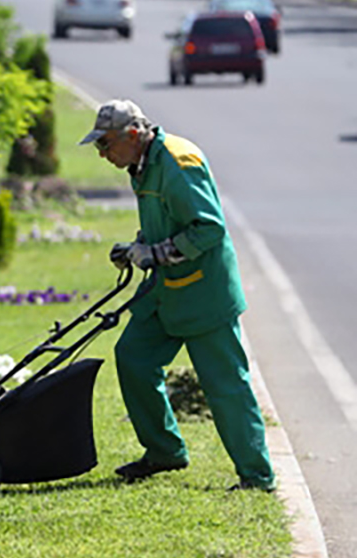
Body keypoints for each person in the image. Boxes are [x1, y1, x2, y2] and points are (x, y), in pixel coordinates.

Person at [81, 99, 275, 492]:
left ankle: (257, 476)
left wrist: (152, 253)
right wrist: (136, 246)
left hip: (203, 293)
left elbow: (208, 229)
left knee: (225, 385)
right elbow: (165, 221)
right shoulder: (140, 163)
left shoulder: (178, 162)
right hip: (164, 292)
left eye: (106, 145)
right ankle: (165, 451)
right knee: (134, 357)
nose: (103, 154)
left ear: (133, 136)